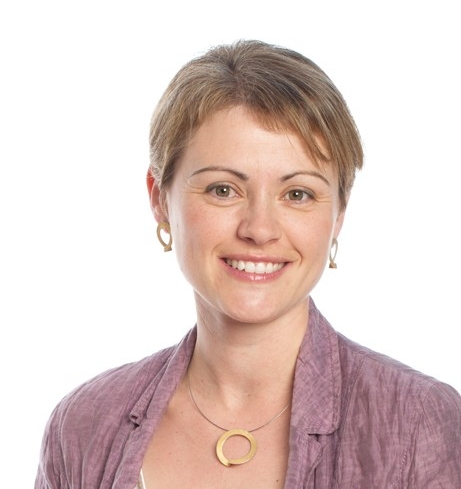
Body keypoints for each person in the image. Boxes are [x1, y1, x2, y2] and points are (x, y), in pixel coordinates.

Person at [35, 40, 461, 488]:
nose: (260, 229)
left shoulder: (418, 423)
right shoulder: (81, 427)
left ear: (339, 214)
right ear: (159, 198)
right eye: (223, 190)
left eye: (297, 194)